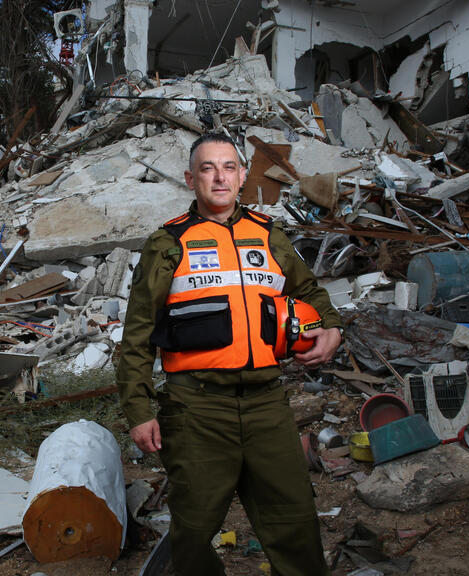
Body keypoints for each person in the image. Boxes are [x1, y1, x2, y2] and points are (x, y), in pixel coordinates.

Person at [116, 132, 343, 576]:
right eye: (207, 168)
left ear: (242, 177)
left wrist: (332, 326)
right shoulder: (167, 244)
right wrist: (139, 410)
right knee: (194, 532)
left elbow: (312, 291)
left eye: (228, 167)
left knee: (294, 524)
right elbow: (138, 334)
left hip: (267, 405)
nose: (219, 177)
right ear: (190, 178)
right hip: (196, 407)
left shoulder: (268, 236)